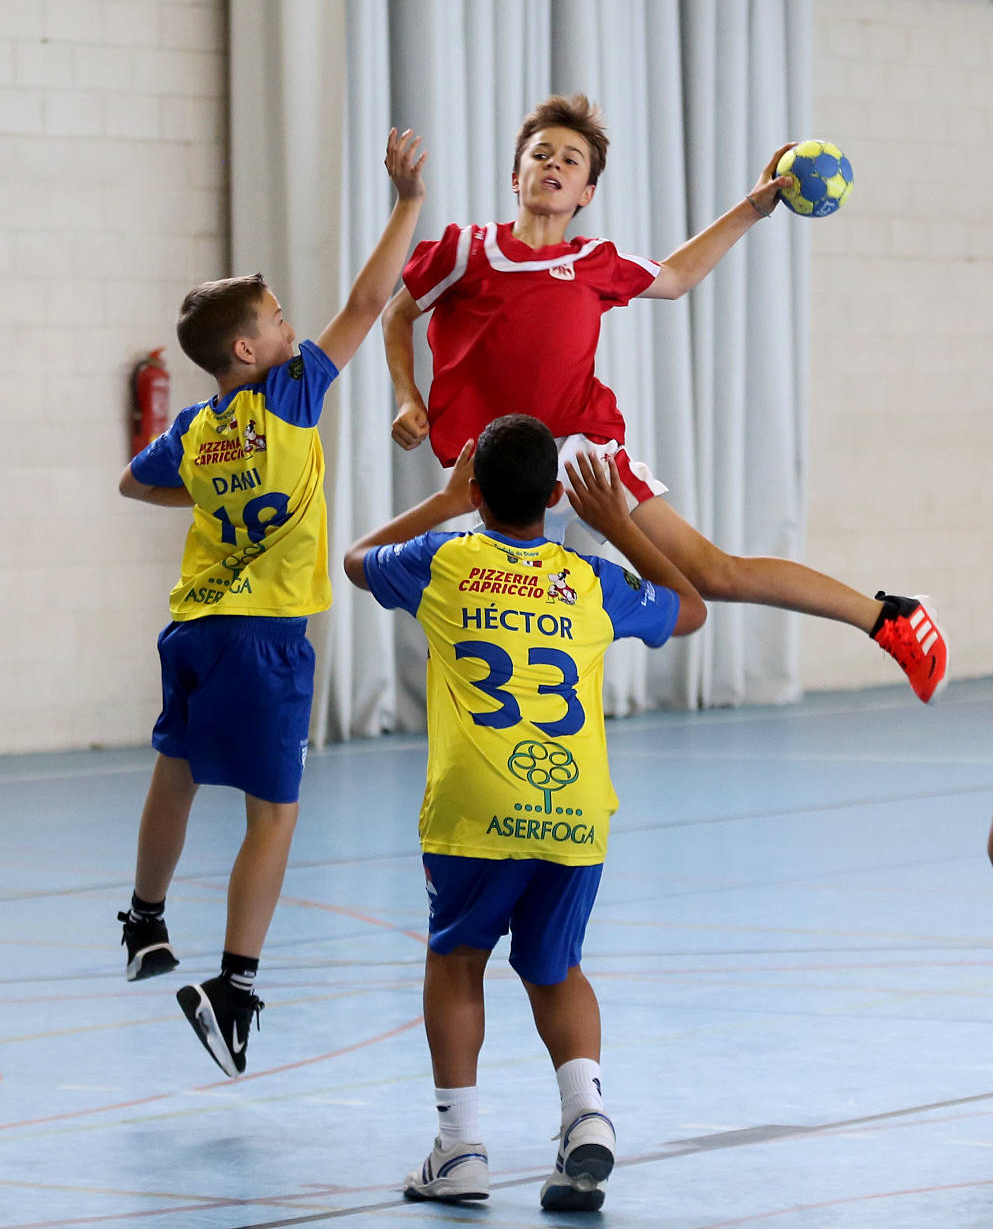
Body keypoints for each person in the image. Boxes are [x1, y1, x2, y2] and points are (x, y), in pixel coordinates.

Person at [383, 93, 948, 704]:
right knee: (508, 623)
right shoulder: (466, 252)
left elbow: (677, 277)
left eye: (571, 160)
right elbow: (397, 313)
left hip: (580, 457)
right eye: (540, 153)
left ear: (587, 193)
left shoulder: (593, 261)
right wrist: (406, 395)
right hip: (500, 470)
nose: (553, 164)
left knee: (710, 573)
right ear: (513, 174)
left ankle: (887, 617)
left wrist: (754, 208)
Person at [116, 128, 427, 1078]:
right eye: (281, 317)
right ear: (251, 348)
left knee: (175, 770)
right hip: (264, 635)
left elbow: (134, 485)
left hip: (194, 625)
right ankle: (236, 986)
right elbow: (371, 302)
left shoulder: (195, 426)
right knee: (274, 814)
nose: (296, 327)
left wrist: (207, 494)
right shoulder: (288, 394)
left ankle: (143, 920)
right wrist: (407, 202)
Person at [344, 413, 706, 1211]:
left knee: (457, 957)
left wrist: (440, 506)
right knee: (554, 966)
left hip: (475, 808)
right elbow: (690, 607)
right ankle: (588, 1117)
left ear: (476, 491)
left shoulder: (442, 558)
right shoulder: (591, 578)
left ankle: (459, 1147)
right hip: (574, 809)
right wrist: (616, 526)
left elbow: (354, 561)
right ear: (553, 494)